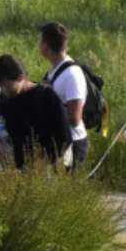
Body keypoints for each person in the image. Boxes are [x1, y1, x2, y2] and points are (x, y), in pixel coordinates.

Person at [0, 54, 73, 169]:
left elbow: (64, 137)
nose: (3, 90)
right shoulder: (5, 99)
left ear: (21, 77)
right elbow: (5, 129)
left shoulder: (46, 96)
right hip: (21, 168)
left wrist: (45, 163)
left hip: (50, 167)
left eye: (6, 85)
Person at [40, 22, 90, 169]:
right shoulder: (54, 70)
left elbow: (74, 118)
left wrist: (50, 99)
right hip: (58, 142)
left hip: (72, 143)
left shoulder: (72, 74)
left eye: (40, 41)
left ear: (45, 45)